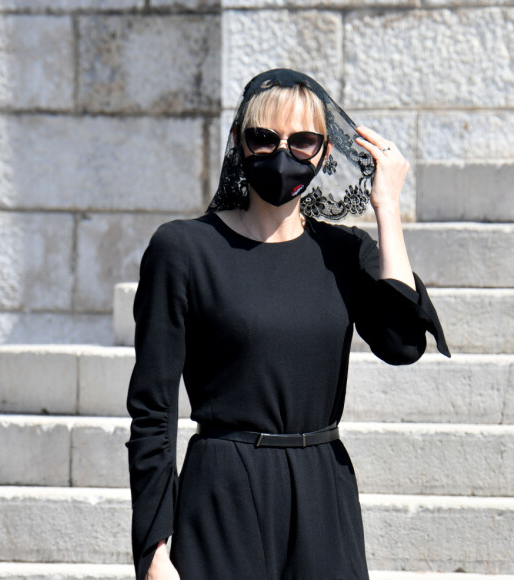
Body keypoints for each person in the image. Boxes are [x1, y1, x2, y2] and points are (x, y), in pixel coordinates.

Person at [126, 69, 450, 580]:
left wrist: (386, 207)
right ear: (238, 141)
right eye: (264, 138)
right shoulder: (184, 249)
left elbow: (403, 343)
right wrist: (153, 550)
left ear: (324, 153)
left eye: (303, 141)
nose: (283, 154)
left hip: (322, 493)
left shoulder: (342, 253)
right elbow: (152, 411)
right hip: (221, 492)